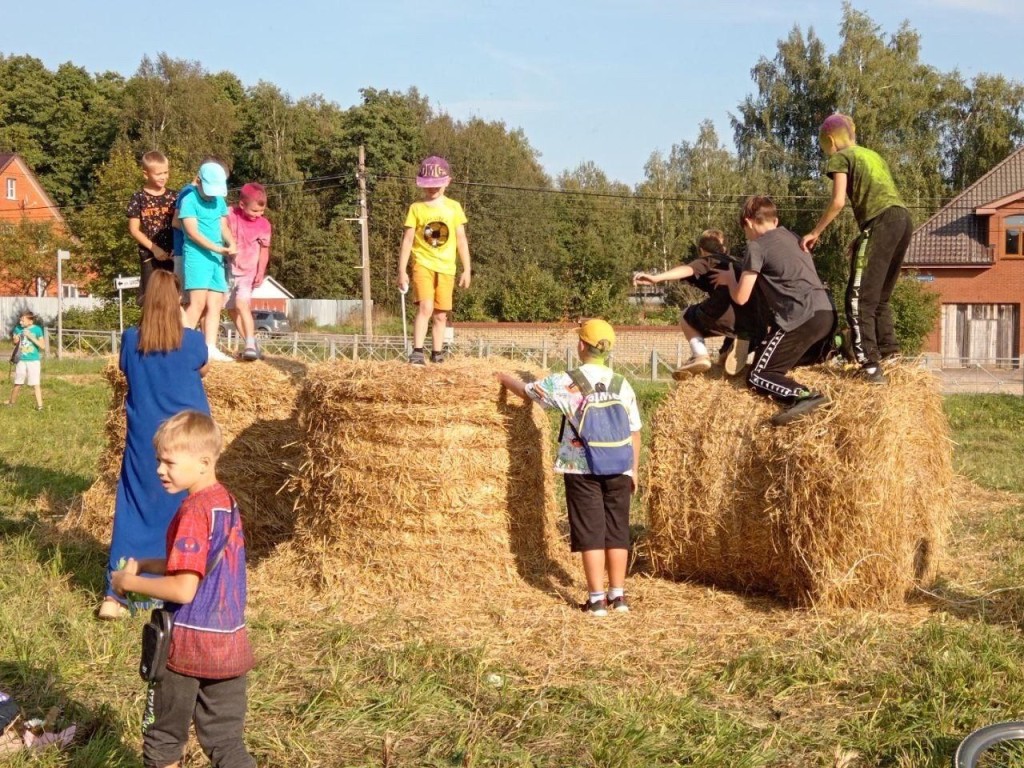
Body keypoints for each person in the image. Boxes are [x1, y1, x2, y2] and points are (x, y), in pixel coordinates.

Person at [112, 410, 255, 768]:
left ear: (204, 462)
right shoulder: (225, 502)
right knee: (226, 743)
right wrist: (147, 563)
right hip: (229, 645)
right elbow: (200, 563)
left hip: (187, 647)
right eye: (159, 460)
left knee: (164, 738)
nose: (160, 469)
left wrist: (128, 583)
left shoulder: (193, 510)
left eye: (169, 462)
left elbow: (184, 588)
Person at [496, 319, 642, 615]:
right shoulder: (621, 383)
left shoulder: (568, 381)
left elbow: (527, 392)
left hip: (582, 466)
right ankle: (619, 596)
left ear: (581, 346)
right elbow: (635, 430)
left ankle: (597, 599)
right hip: (619, 465)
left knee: (590, 532)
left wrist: (501, 377)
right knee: (617, 531)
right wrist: (633, 469)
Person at [100, 270, 211, 620]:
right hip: (187, 440)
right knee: (185, 510)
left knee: (134, 508)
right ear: (177, 302)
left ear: (146, 302)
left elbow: (125, 369)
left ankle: (115, 596)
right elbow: (203, 368)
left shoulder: (131, 340)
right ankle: (177, 584)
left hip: (144, 438)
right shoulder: (192, 342)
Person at [800, 113, 914, 384]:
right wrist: (864, 235)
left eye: (823, 146)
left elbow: (838, 201)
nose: (825, 151)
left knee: (858, 298)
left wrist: (815, 232)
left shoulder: (840, 157)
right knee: (879, 297)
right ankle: (889, 353)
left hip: (881, 223)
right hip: (902, 220)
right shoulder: (872, 155)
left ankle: (870, 365)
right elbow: (882, 200)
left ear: (830, 140)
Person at [713, 196, 835, 427]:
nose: (746, 236)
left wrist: (730, 279)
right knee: (795, 361)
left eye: (745, 231)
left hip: (800, 318)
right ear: (775, 220)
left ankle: (803, 396)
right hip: (826, 312)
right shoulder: (792, 236)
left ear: (748, 223)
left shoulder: (756, 247)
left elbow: (741, 297)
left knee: (758, 375)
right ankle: (836, 344)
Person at [633, 229, 769, 379]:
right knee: (724, 358)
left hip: (724, 314)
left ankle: (700, 355)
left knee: (686, 316)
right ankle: (732, 349)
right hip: (756, 322)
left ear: (701, 250)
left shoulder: (710, 260)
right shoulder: (742, 263)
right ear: (726, 249)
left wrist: (656, 278)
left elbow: (687, 269)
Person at [397, 156, 472, 365]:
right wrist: (402, 270)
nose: (433, 189)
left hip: (447, 268)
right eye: (428, 186)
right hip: (423, 263)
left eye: (437, 185)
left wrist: (467, 269)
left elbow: (461, 239)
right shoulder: (416, 208)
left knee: (441, 314)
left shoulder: (454, 208)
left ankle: (437, 353)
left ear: (447, 182)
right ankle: (417, 351)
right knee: (426, 307)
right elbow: (408, 239)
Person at [179, 161, 237, 363]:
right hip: (197, 256)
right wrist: (217, 248)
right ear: (199, 181)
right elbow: (192, 233)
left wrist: (231, 243)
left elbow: (223, 227)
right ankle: (181, 346)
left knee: (215, 304)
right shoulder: (189, 200)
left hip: (216, 258)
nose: (211, 194)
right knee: (198, 303)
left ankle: (210, 347)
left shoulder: (219, 201)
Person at [225, 183, 272, 362]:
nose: (258, 215)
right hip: (228, 268)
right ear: (242, 205)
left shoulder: (264, 224)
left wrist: (261, 271)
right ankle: (250, 343)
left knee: (241, 304)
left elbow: (264, 250)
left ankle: (251, 343)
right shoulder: (230, 214)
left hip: (248, 271)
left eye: (261, 211)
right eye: (254, 211)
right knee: (231, 310)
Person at [127, 151, 178, 302]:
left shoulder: (175, 196)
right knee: (150, 299)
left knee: (173, 298)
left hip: (173, 255)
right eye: (158, 174)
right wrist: (155, 249)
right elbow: (133, 229)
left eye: (166, 172)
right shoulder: (139, 198)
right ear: (146, 174)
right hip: (150, 256)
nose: (163, 177)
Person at [5, 311, 46, 410]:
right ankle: (11, 404)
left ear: (30, 321)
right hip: (21, 360)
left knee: (36, 384)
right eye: (20, 319)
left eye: (23, 320)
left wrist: (31, 337)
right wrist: (15, 340)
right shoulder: (18, 329)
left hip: (33, 361)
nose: (20, 321)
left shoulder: (37, 329)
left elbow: (43, 346)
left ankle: (40, 407)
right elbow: (15, 343)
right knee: (18, 382)